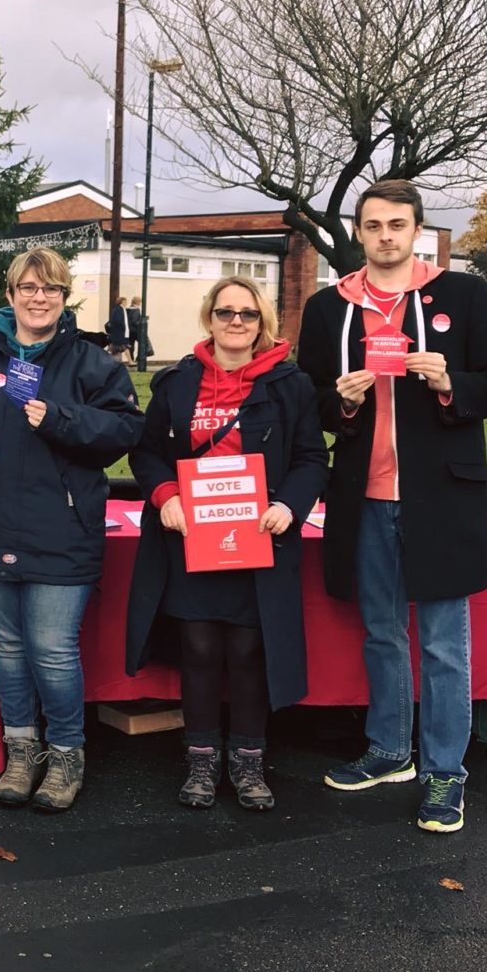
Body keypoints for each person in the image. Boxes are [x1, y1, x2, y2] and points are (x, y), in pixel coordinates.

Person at [298, 180, 487, 834]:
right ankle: (391, 750)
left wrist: (450, 382)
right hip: (363, 496)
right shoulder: (327, 308)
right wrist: (345, 402)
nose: (386, 236)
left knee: (447, 644)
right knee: (383, 633)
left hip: (442, 495)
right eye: (374, 225)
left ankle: (445, 769)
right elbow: (307, 401)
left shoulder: (463, 295)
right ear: (359, 233)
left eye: (398, 224)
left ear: (417, 229)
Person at [0, 248, 144, 812]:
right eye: (28, 287)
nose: (38, 297)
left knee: (52, 650)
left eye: (50, 289)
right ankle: (22, 751)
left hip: (61, 530)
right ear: (11, 292)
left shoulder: (93, 364)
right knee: (8, 647)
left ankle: (67, 753)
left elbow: (125, 430)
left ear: (64, 297)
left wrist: (61, 418)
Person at [126, 277, 327, 811]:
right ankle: (200, 760)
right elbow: (145, 453)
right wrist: (165, 493)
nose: (235, 322)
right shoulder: (176, 382)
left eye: (247, 314)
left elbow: (312, 457)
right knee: (198, 647)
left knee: (247, 649)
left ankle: (248, 760)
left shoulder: (290, 385)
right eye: (224, 313)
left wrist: (289, 506)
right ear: (208, 318)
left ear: (262, 323)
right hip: (192, 537)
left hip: (260, 537)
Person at [106, 296, 131, 362]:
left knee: (116, 348)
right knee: (124, 346)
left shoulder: (119, 309)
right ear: (122, 302)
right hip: (119, 332)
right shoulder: (119, 309)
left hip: (118, 332)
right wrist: (123, 327)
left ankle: (117, 361)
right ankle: (130, 361)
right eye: (125, 301)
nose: (126, 303)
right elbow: (117, 320)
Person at [125, 297, 143, 363]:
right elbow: (134, 321)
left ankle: (131, 359)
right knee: (143, 344)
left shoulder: (127, 309)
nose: (141, 303)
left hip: (129, 331)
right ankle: (138, 359)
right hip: (135, 330)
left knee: (131, 345)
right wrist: (142, 322)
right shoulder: (136, 310)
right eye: (140, 302)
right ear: (137, 302)